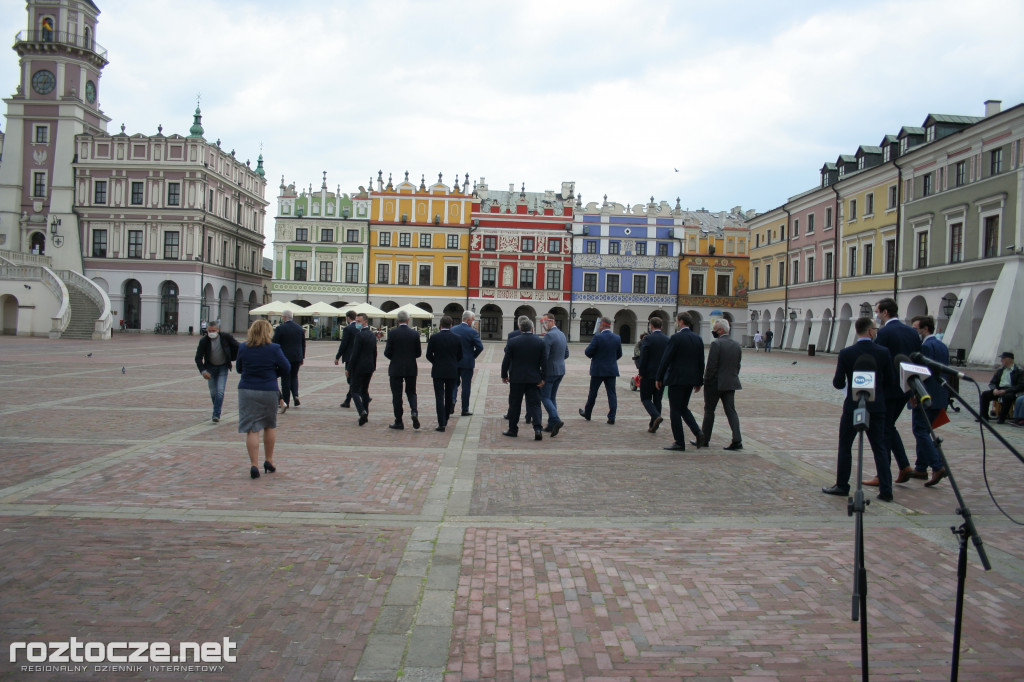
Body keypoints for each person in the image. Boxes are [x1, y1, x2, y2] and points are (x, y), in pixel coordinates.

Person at [823, 317, 895, 502]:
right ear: (870, 331)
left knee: (845, 445)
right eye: (875, 329)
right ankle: (886, 489)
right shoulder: (883, 352)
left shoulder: (847, 353)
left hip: (853, 405)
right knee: (879, 446)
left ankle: (842, 485)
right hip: (877, 406)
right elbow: (891, 382)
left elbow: (838, 383)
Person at [871, 297, 922, 484]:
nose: (877, 316)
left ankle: (884, 474)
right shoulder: (912, 332)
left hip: (887, 389)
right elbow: (917, 361)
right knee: (888, 427)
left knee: (883, 430)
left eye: (877, 312)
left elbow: (879, 362)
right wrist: (914, 392)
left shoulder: (884, 333)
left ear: (885, 312)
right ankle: (904, 466)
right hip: (906, 388)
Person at [235, 319, 291, 479]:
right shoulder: (274, 348)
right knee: (269, 425)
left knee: (252, 428)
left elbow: (239, 368)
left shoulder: (243, 347)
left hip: (247, 389)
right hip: (268, 389)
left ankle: (254, 465)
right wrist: (273, 374)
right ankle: (269, 460)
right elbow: (286, 367)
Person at [904, 315, 950, 486]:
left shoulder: (926, 346)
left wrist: (914, 394)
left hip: (926, 394)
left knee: (920, 430)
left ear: (925, 329)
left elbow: (922, 373)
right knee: (925, 430)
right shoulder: (942, 346)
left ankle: (937, 465)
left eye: (916, 329)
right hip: (940, 395)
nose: (915, 332)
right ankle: (921, 467)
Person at [656, 311, 705, 451]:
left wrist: (659, 377)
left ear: (681, 322)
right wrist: (699, 381)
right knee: (683, 407)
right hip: (690, 380)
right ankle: (698, 432)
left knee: (675, 410)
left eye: (676, 320)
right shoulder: (698, 339)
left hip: (676, 379)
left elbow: (666, 359)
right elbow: (701, 362)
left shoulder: (676, 338)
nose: (675, 323)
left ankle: (679, 441)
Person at [700, 319, 744, 450]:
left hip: (715, 384)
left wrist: (706, 381)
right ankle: (737, 439)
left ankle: (705, 439)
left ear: (720, 330)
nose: (713, 331)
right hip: (730, 382)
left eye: (714, 329)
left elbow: (711, 367)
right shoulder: (736, 345)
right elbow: (738, 365)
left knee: (709, 411)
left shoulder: (716, 344)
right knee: (731, 411)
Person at [501, 318, 548, 440]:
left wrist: (504, 375)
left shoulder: (513, 341)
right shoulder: (540, 342)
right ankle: (537, 429)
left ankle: (513, 429)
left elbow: (506, 360)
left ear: (521, 328)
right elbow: (544, 362)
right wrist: (543, 377)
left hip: (517, 378)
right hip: (534, 379)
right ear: (532, 328)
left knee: (515, 404)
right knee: (535, 404)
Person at [194, 319, 239, 423]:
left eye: (213, 330)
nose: (211, 333)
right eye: (209, 331)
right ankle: (217, 410)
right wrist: (203, 371)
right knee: (213, 392)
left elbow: (237, 346)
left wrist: (236, 356)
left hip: (223, 367)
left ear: (218, 330)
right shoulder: (204, 341)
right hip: (210, 368)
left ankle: (216, 414)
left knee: (220, 391)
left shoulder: (225, 337)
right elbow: (198, 358)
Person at [383, 309, 422, 430]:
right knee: (411, 392)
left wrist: (395, 358)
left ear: (397, 320)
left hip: (396, 367)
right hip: (411, 367)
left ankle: (399, 421)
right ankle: (414, 411)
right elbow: (418, 353)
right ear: (408, 320)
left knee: (397, 395)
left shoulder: (392, 333)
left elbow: (387, 352)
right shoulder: (414, 334)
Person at [579, 317, 622, 424]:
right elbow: (619, 354)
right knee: (612, 393)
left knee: (593, 393)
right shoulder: (617, 338)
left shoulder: (598, 337)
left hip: (598, 369)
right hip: (611, 369)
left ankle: (588, 413)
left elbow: (588, 352)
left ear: (602, 325)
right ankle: (612, 417)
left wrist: (597, 357)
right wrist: (611, 360)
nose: (598, 327)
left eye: (599, 325)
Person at [426, 315, 462, 432]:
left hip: (438, 371)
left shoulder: (434, 337)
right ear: (451, 325)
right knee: (449, 396)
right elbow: (460, 355)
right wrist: (453, 362)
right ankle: (446, 418)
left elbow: (428, 355)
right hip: (452, 370)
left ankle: (441, 423)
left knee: (439, 397)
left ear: (440, 325)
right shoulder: (457, 338)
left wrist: (435, 362)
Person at [538, 314, 568, 437]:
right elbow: (566, 353)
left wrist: (542, 372)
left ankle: (555, 419)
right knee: (552, 397)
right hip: (560, 370)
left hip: (550, 371)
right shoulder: (562, 334)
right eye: (542, 323)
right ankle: (551, 425)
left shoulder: (549, 336)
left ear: (551, 321)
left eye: (545, 322)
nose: (543, 325)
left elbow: (544, 356)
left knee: (544, 397)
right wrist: (558, 360)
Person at [638, 317, 669, 433]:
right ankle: (653, 425)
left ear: (651, 326)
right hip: (661, 375)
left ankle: (656, 417)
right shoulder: (667, 339)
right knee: (657, 400)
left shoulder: (648, 339)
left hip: (648, 374)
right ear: (661, 326)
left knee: (645, 398)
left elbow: (643, 357)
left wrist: (641, 373)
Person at [272, 309, 306, 413]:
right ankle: (295, 395)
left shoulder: (280, 329)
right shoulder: (299, 328)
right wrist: (302, 357)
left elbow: (275, 343)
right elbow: (303, 344)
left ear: (284, 317)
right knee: (294, 376)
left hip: (284, 357)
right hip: (297, 357)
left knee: (285, 379)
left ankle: (286, 401)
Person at [450, 310, 484, 417]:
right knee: (466, 386)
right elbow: (480, 347)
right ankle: (464, 409)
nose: (473, 322)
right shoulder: (472, 332)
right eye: (473, 320)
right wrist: (472, 355)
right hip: (467, 362)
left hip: (454, 361)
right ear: (468, 320)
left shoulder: (453, 329)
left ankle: (452, 400)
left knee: (453, 384)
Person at [347, 313, 377, 426]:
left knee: (354, 390)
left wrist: (349, 368)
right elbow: (374, 352)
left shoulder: (359, 336)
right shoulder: (372, 335)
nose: (357, 323)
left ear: (365, 322)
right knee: (364, 390)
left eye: (359, 321)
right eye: (356, 321)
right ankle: (366, 414)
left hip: (359, 367)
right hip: (369, 366)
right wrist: (373, 365)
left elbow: (355, 354)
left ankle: (362, 411)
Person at [980, 352, 1022, 423]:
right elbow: (992, 382)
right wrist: (994, 389)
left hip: (1010, 390)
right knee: (985, 394)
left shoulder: (1018, 371)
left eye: (1003, 358)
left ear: (1009, 360)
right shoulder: (1000, 370)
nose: (1001, 360)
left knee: (1008, 396)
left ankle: (1002, 418)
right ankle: (984, 417)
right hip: (999, 389)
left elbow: (1020, 385)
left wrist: (1006, 391)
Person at [334, 310, 358, 408]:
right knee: (353, 380)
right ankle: (348, 400)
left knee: (350, 380)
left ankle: (363, 395)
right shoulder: (360, 328)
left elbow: (343, 344)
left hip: (349, 357)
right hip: (358, 357)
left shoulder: (348, 329)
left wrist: (337, 357)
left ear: (348, 318)